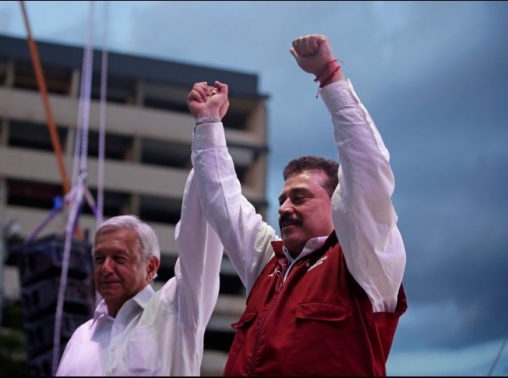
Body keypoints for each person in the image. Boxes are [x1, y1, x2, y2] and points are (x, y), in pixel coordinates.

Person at [185, 34, 407, 376]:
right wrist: (208, 122)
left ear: (338, 205)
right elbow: (223, 201)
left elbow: (367, 169)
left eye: (300, 198)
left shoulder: (364, 261)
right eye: (282, 199)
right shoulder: (267, 265)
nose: (285, 208)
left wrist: (329, 77)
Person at [55, 170, 224, 375]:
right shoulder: (81, 337)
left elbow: (199, 238)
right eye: (99, 259)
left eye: (119, 258)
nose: (106, 268)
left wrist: (204, 147)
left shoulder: (175, 312)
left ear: (151, 267)